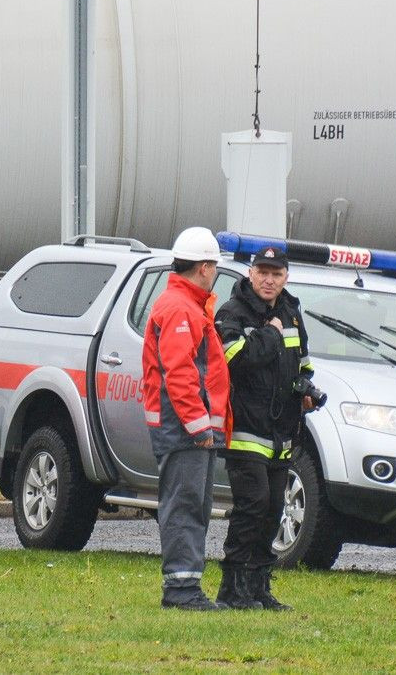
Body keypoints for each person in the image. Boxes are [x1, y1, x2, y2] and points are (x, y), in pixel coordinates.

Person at [215, 245, 323, 609]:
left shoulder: (291, 312)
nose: (268, 279)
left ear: (286, 278)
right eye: (262, 271)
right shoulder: (232, 312)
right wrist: (271, 335)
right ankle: (232, 589)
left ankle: (260, 588)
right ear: (250, 273)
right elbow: (235, 359)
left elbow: (303, 362)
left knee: (274, 507)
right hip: (245, 427)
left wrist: (306, 387)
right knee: (253, 505)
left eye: (276, 273)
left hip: (282, 431)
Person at [141, 227, 230, 610]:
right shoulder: (181, 308)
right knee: (186, 505)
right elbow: (179, 372)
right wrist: (199, 427)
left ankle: (185, 586)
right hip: (183, 429)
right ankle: (180, 590)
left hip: (185, 426)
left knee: (191, 503)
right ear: (205, 267)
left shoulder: (184, 304)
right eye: (215, 266)